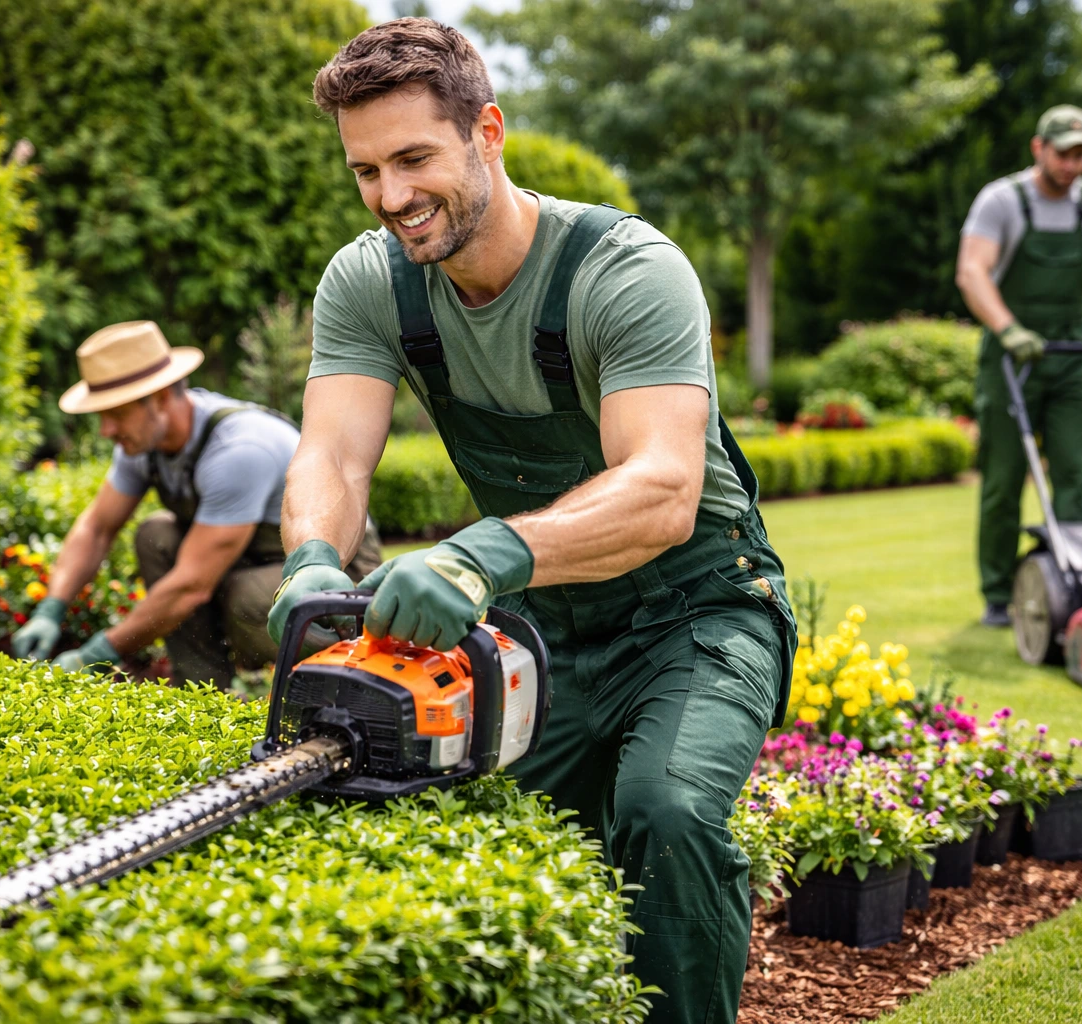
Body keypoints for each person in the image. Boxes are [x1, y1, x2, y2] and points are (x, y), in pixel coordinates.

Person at [267, 20, 794, 1024]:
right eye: (366, 170)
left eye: (414, 157)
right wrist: (309, 559)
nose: (391, 197)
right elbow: (332, 451)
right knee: (461, 814)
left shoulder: (625, 270)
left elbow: (662, 487)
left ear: (488, 132)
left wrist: (480, 553)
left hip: (699, 611)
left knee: (667, 814)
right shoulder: (371, 282)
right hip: (542, 620)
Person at [11, 320, 382, 687]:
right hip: (254, 560)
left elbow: (192, 585)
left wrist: (96, 653)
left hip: (339, 570)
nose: (106, 430)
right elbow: (96, 528)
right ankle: (202, 690)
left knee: (244, 596)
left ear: (158, 399)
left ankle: (338, 686)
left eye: (116, 414)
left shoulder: (238, 450)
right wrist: (51, 608)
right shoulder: (142, 446)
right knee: (156, 534)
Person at [954, 105, 1082, 628]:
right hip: (1010, 357)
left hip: (1072, 359)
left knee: (1073, 476)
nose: (1072, 163)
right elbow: (972, 272)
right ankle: (999, 595)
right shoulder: (1003, 201)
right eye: (1064, 152)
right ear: (1038, 148)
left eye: (1081, 154)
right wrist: (1009, 328)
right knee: (1002, 480)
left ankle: (1073, 589)